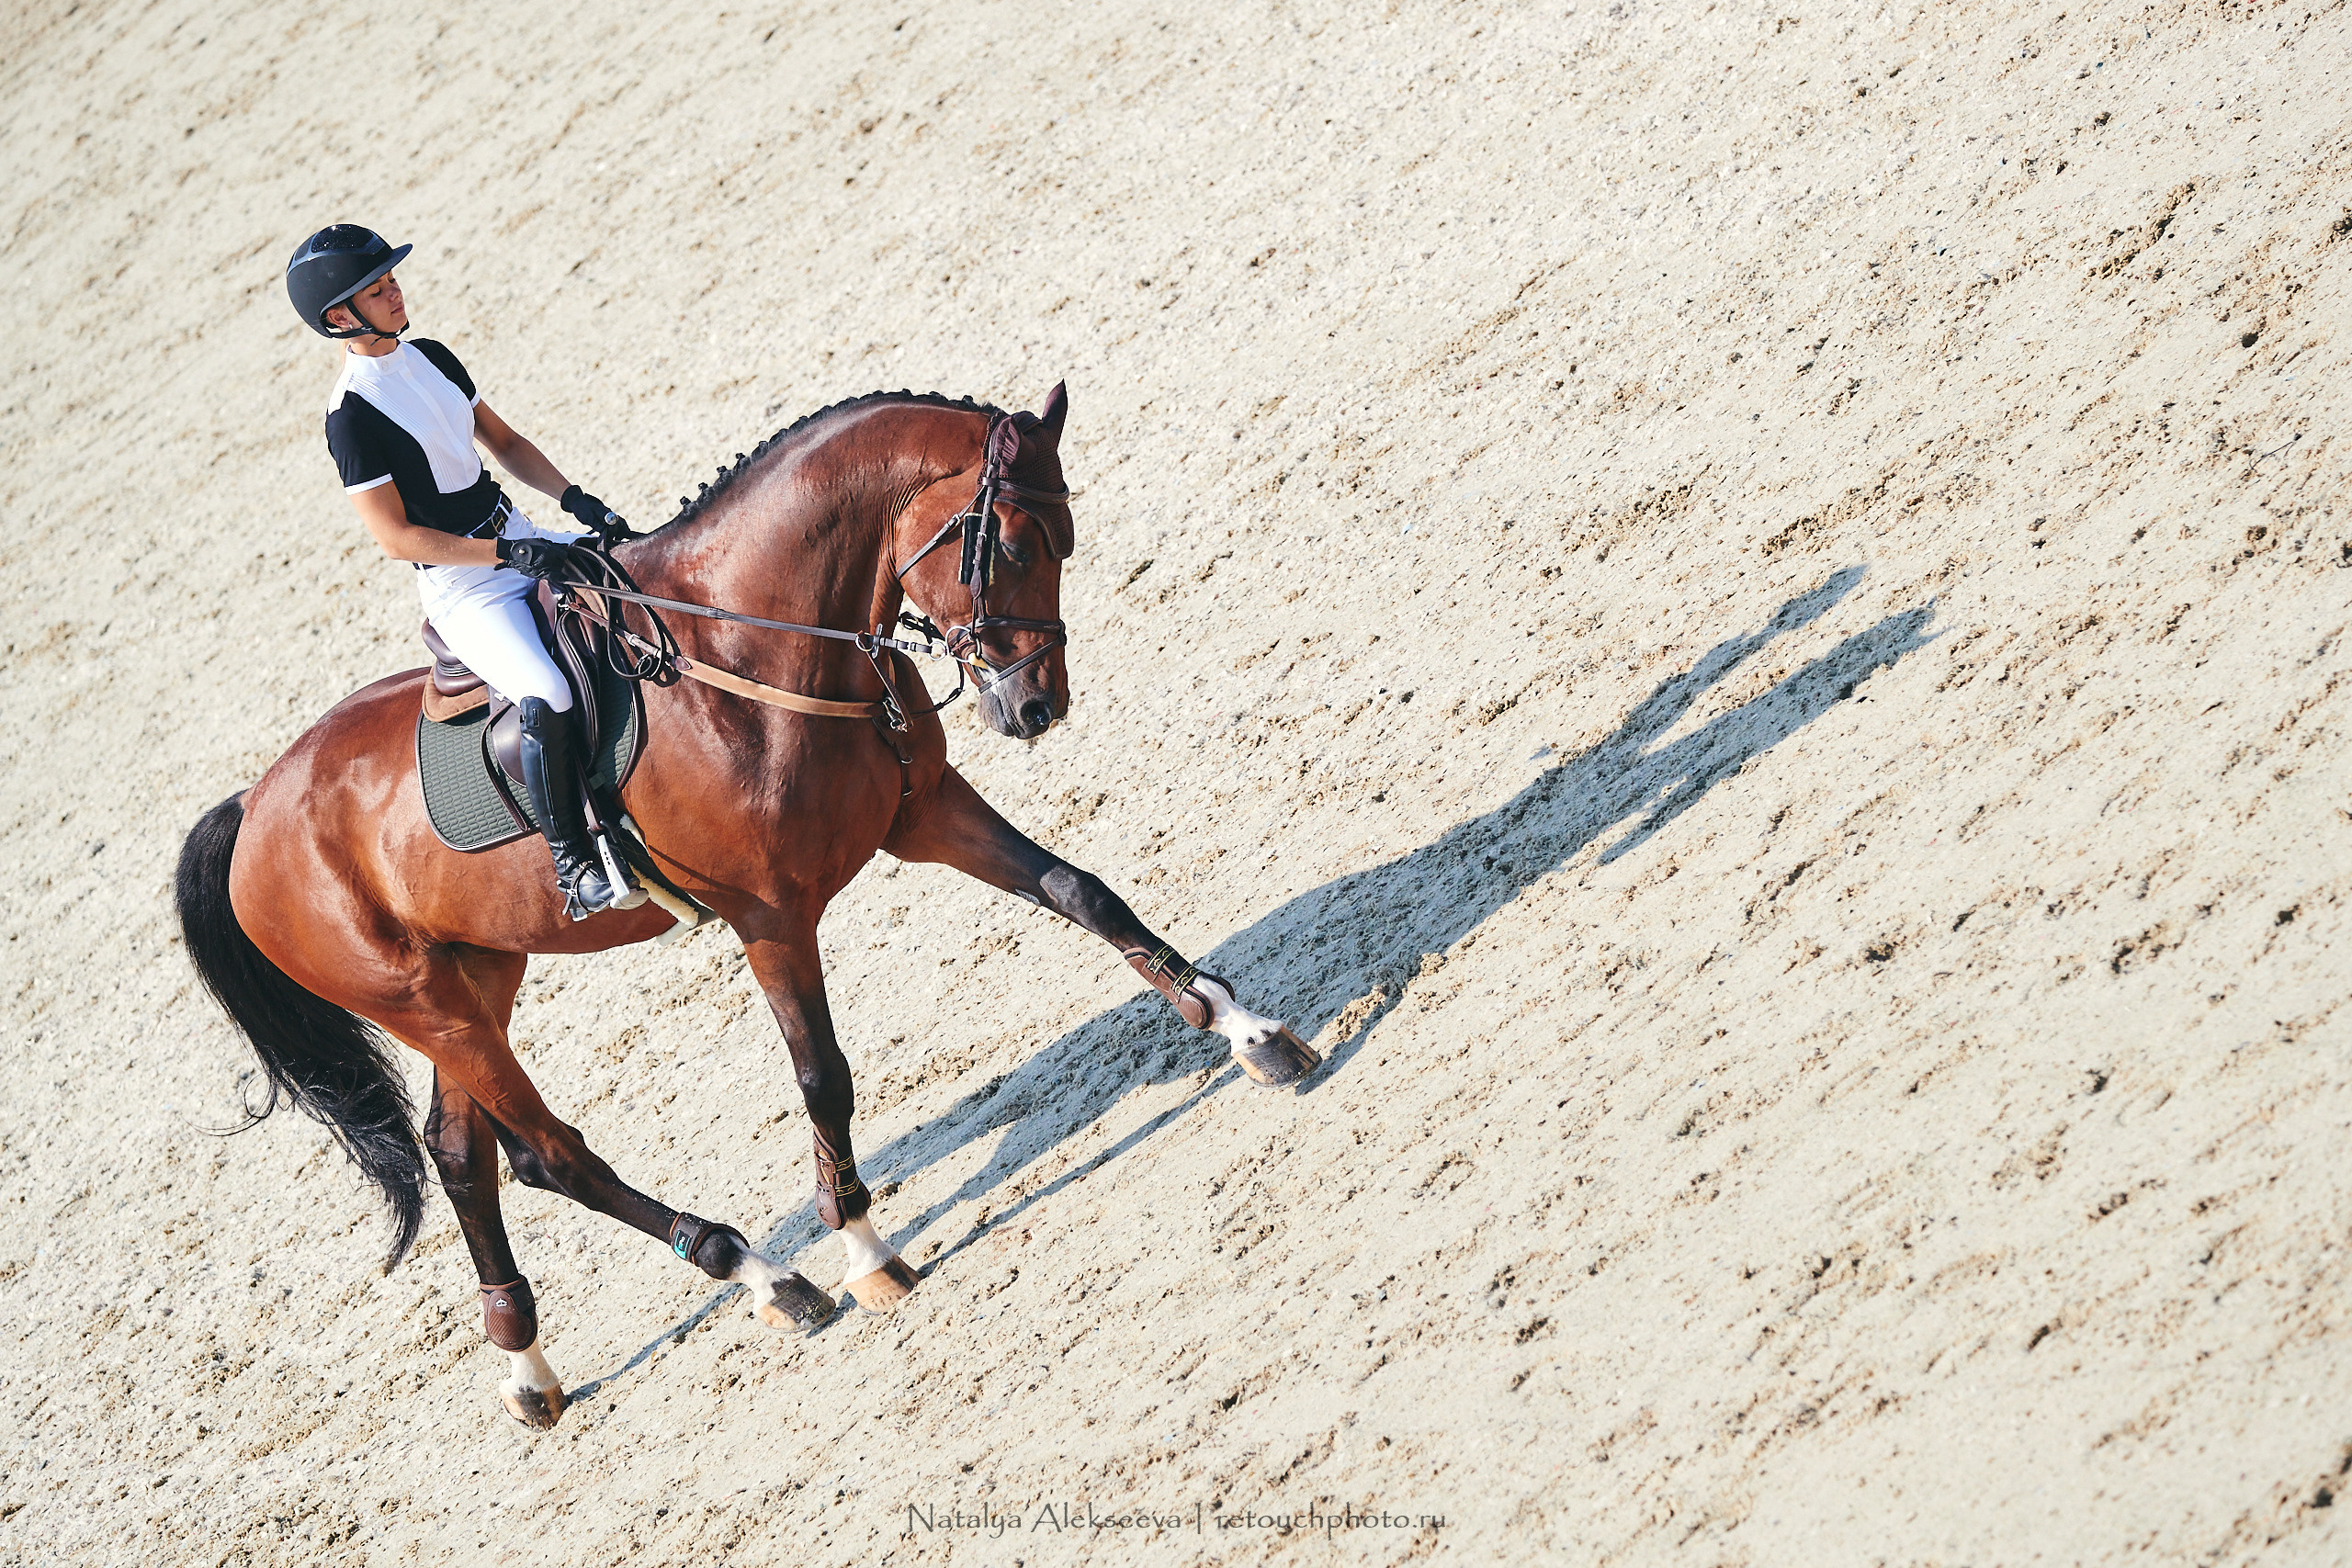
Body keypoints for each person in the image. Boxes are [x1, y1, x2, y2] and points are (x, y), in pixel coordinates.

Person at [285, 223, 627, 919]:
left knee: (635, 580)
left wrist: (572, 498)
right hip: (466, 584)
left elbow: (501, 441)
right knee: (546, 689)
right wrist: (504, 556)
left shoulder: (431, 356)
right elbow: (394, 536)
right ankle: (575, 864)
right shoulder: (349, 418)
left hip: (516, 534)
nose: (393, 289)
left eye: (390, 278)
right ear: (340, 317)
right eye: (375, 287)